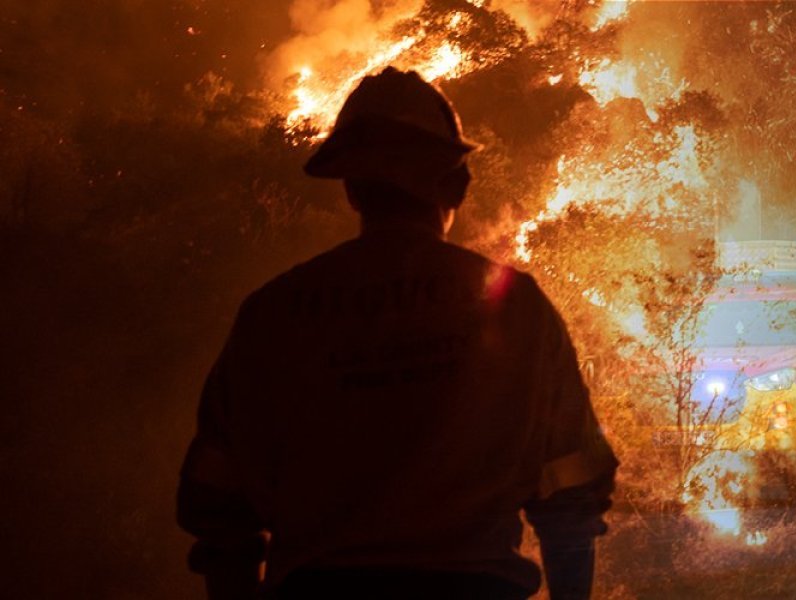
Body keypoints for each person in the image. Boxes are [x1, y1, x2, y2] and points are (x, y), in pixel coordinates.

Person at [177, 67, 618, 600]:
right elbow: (571, 492)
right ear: (456, 182)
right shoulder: (515, 305)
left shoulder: (271, 315)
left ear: (351, 191)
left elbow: (219, 509)